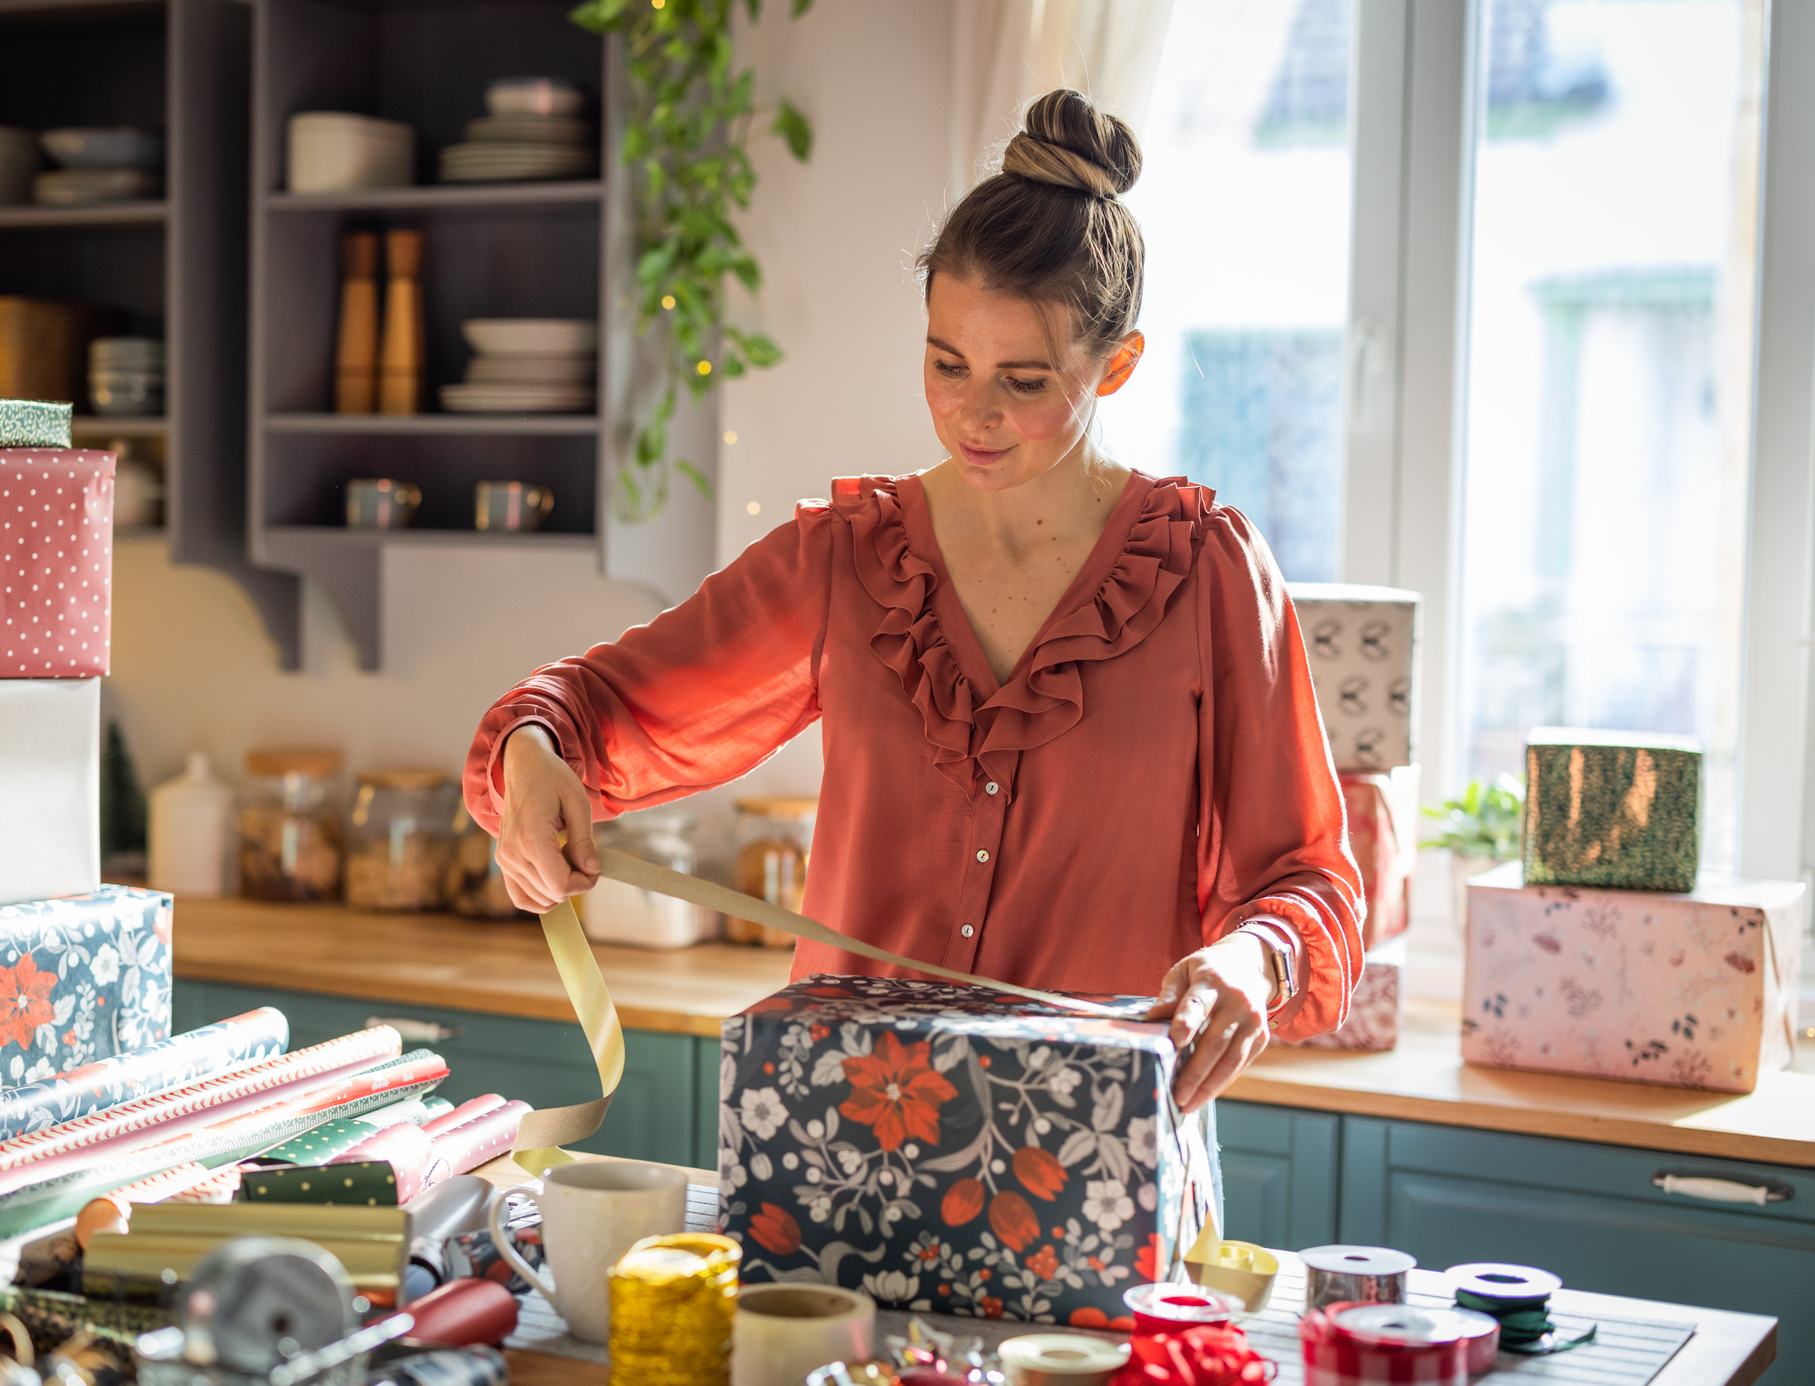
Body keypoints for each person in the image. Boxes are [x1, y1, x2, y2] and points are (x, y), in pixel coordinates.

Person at [464, 89, 1363, 1111]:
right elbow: (585, 709)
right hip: (841, 1132)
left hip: (1089, 1145)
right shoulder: (846, 557)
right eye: (945, 364)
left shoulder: (1204, 571)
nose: (971, 413)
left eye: (1022, 382)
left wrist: (1252, 960)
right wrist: (532, 757)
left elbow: (1309, 883)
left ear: (1116, 365)